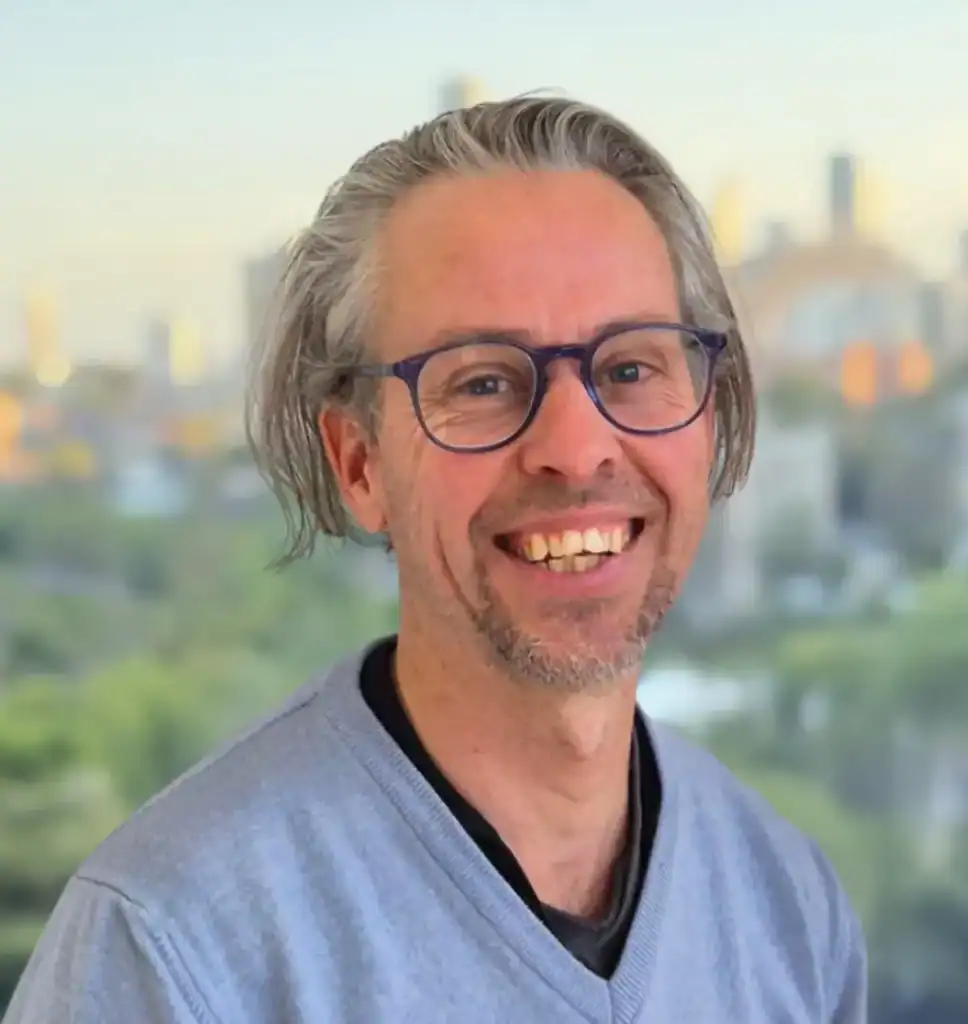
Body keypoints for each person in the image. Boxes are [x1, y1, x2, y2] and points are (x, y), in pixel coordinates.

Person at [4, 95, 867, 1023]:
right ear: (359, 463)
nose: (577, 450)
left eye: (629, 368)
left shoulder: (788, 908)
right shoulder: (175, 952)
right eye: (485, 383)